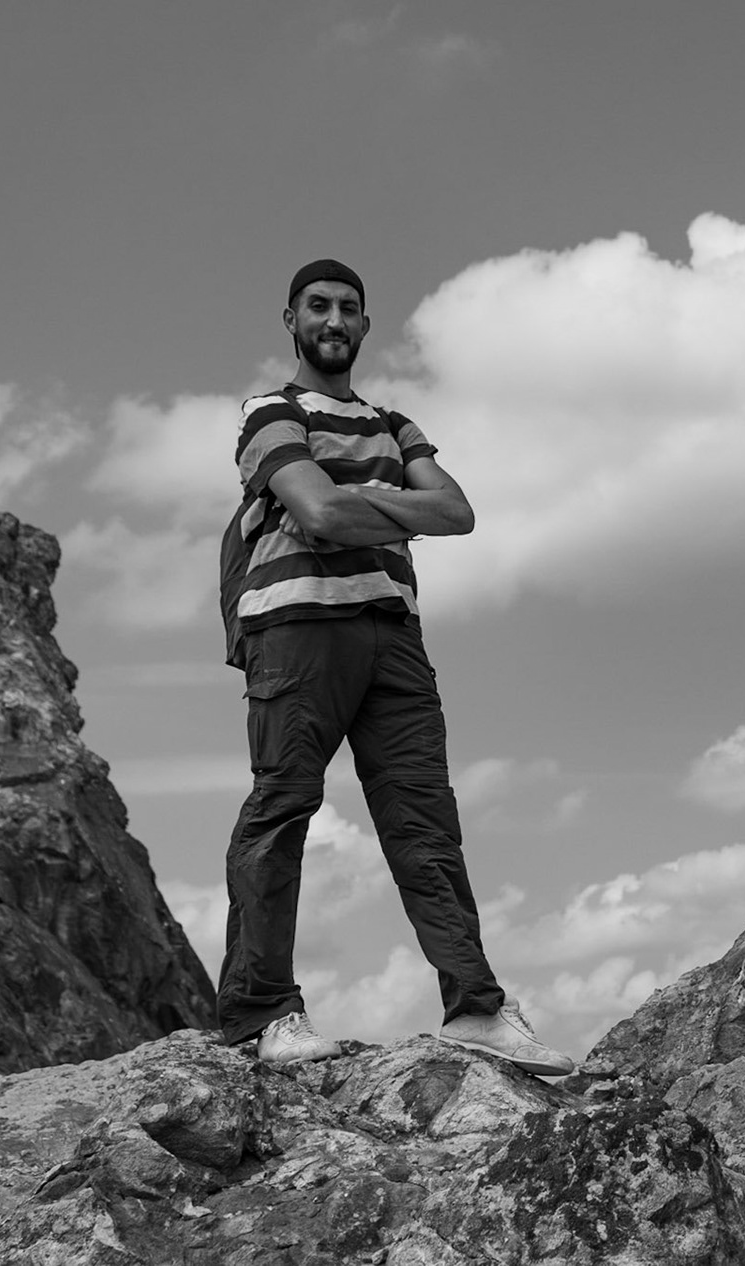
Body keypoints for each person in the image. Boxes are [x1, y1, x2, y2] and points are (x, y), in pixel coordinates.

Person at [215, 258, 573, 1074]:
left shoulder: (396, 423)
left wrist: (351, 511)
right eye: (317, 306)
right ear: (291, 319)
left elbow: (458, 511)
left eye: (348, 308)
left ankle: (475, 1010)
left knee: (426, 823)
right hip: (296, 626)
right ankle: (263, 1014)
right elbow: (315, 509)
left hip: (393, 638)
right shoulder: (269, 411)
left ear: (366, 326)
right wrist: (379, 513)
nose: (333, 320)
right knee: (283, 809)